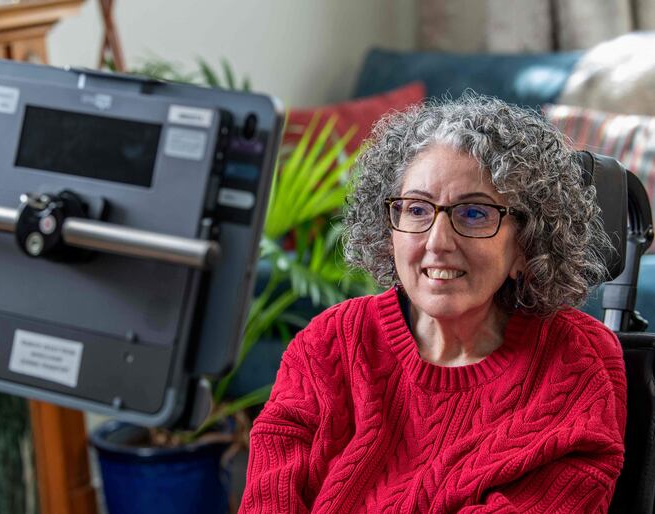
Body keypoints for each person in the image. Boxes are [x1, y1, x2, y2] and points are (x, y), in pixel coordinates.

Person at [238, 94, 626, 513]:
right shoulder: (331, 341)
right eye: (417, 210)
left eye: (474, 213)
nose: (437, 242)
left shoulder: (574, 361)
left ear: (527, 243)